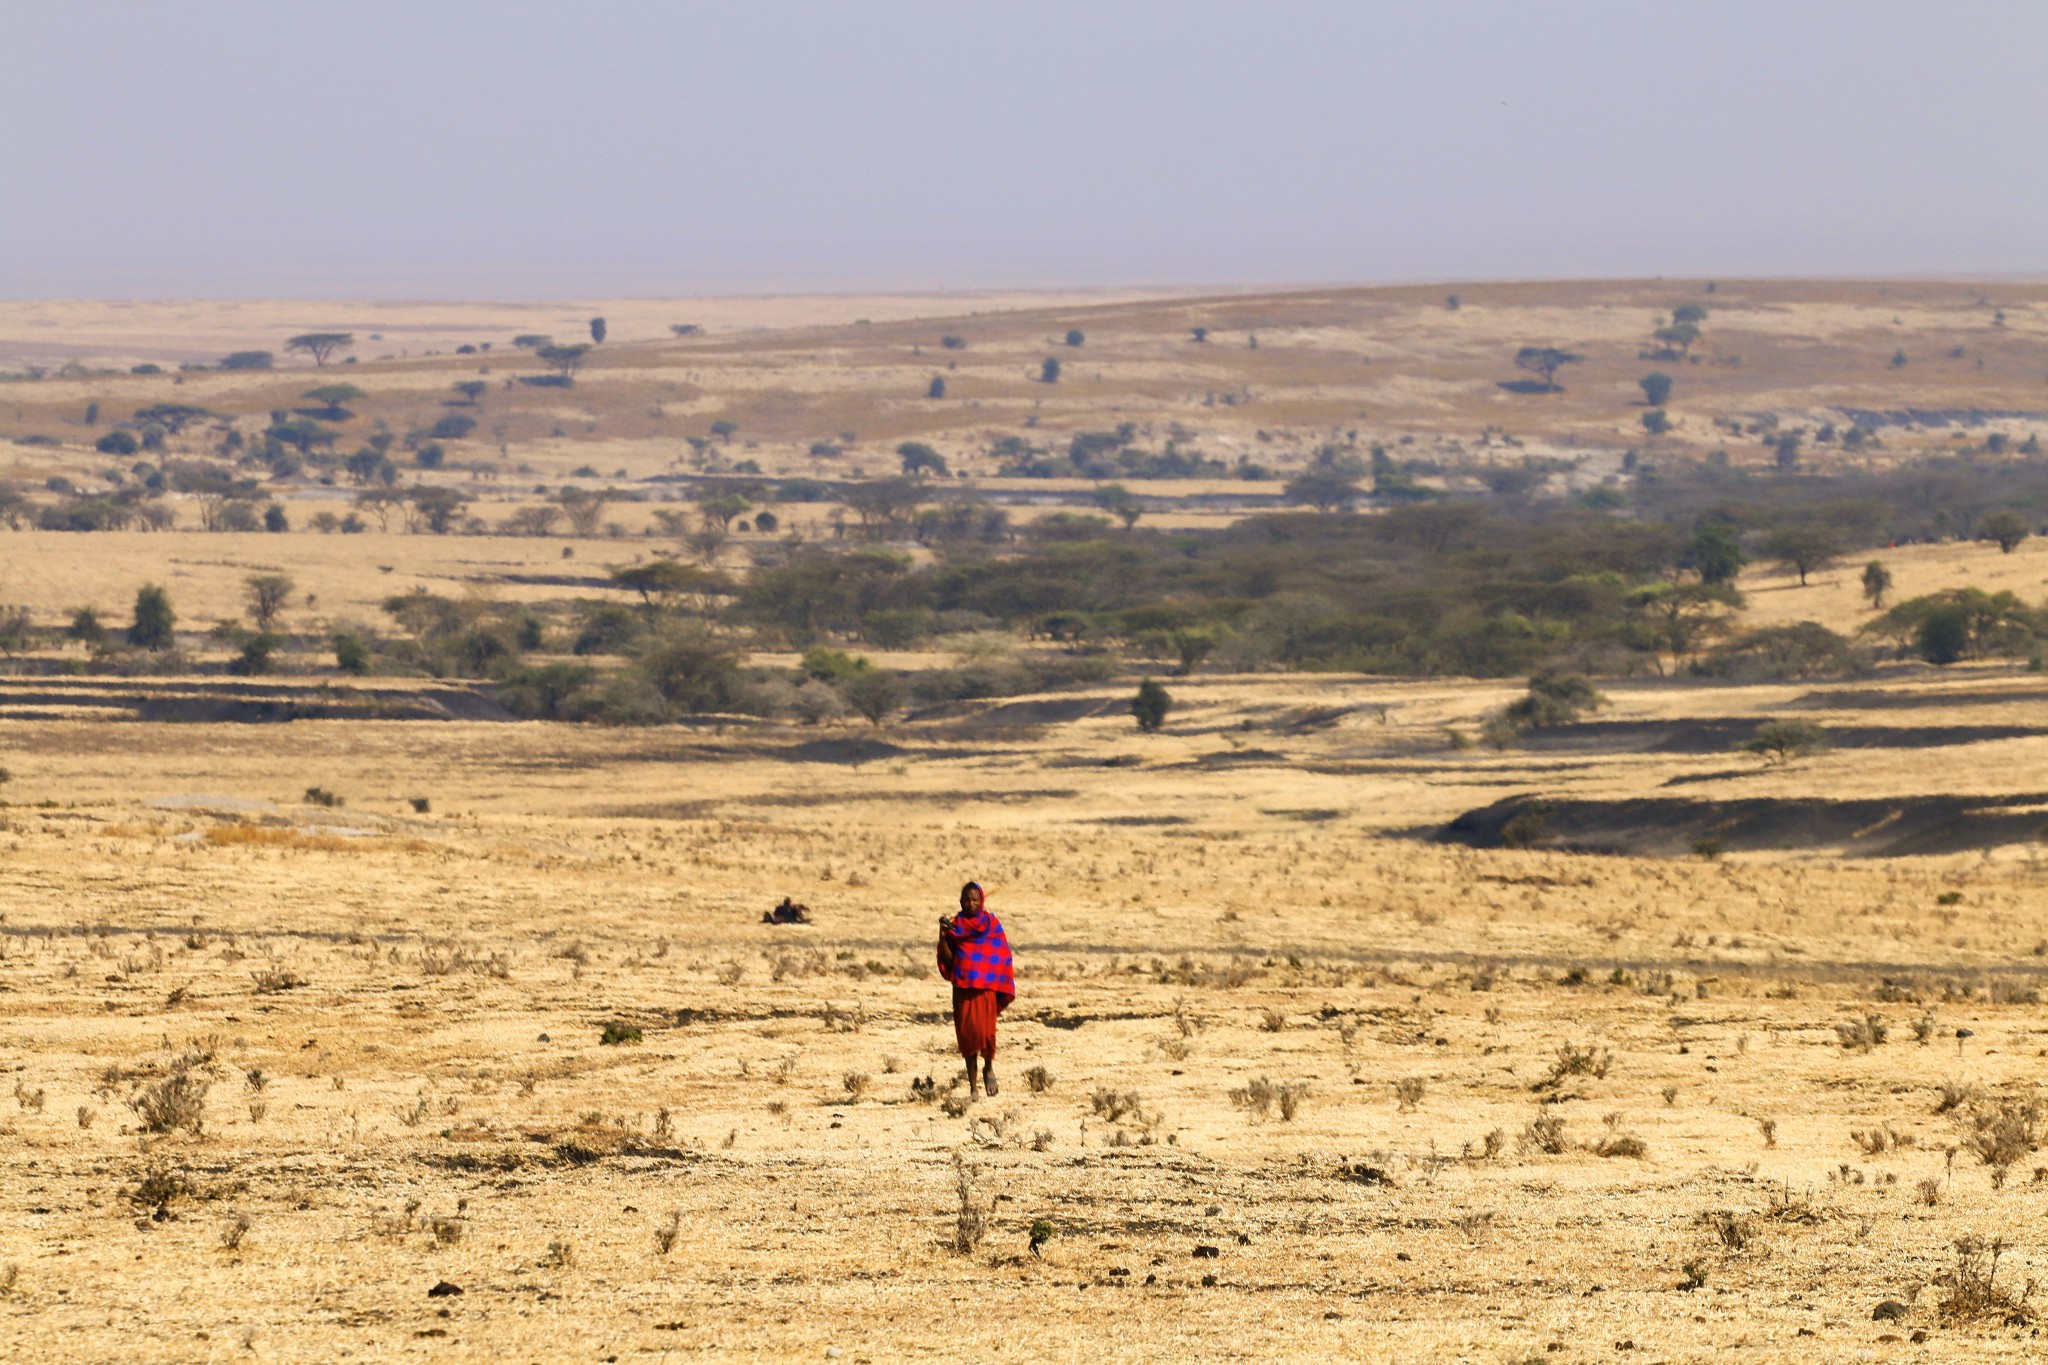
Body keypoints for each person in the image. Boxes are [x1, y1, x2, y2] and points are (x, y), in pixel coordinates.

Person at [936, 882, 1014, 1099]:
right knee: (967, 1037)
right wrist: (944, 938)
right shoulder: (954, 926)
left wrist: (994, 978)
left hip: (986, 988)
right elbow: (950, 961)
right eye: (966, 900)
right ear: (960, 902)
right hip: (963, 987)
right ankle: (972, 1087)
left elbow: (1001, 955)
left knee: (987, 1033)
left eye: (975, 899)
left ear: (982, 901)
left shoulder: (991, 924)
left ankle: (988, 1068)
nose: (970, 903)